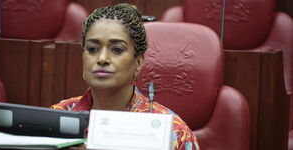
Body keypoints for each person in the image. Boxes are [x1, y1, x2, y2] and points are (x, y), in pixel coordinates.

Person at [51, 3, 200, 150]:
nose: (102, 58)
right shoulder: (57, 117)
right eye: (92, 49)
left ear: (138, 62)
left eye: (117, 50)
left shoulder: (173, 133)